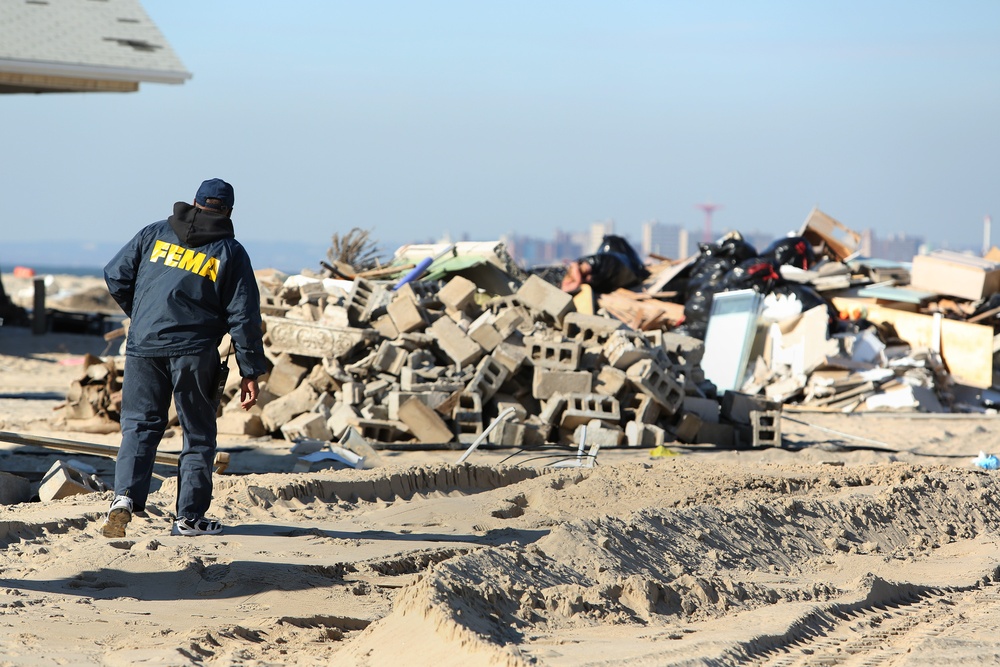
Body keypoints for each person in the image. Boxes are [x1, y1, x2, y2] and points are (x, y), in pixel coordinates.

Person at [100, 178, 267, 538]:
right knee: (198, 433)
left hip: (144, 344)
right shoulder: (230, 251)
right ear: (229, 211)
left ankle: (123, 498)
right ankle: (189, 518)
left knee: (139, 424)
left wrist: (143, 315)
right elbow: (244, 315)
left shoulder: (153, 233)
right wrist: (251, 371)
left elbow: (115, 275)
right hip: (195, 351)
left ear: (193, 202)